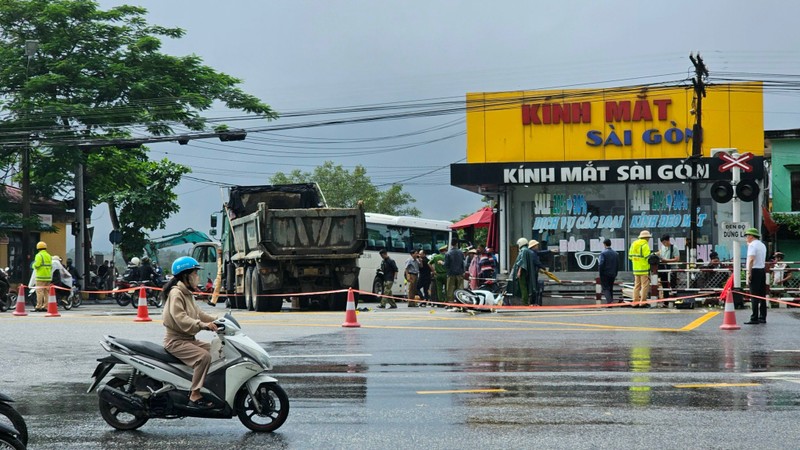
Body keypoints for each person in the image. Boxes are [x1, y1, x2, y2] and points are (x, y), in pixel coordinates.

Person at [162, 256, 219, 408]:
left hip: (188, 339)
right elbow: (180, 318)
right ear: (185, 275)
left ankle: (207, 386)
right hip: (176, 341)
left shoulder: (187, 293)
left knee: (218, 351)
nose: (197, 276)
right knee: (203, 357)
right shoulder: (176, 293)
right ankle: (194, 394)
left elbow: (199, 313)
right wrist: (204, 325)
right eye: (195, 273)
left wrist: (218, 320)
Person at [744, 228, 767, 325]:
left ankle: (754, 318)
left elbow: (751, 260)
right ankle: (762, 317)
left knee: (754, 295)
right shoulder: (762, 245)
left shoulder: (752, 245)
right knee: (762, 295)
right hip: (762, 270)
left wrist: (749, 273)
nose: (746, 238)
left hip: (754, 270)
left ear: (751, 236)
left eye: (747, 236)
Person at [628, 230, 652, 308]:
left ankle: (635, 302)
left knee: (636, 286)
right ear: (646, 238)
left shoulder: (634, 244)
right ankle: (643, 302)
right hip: (644, 268)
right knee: (645, 286)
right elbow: (648, 257)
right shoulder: (645, 245)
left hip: (635, 269)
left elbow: (630, 257)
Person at [657, 234, 679, 301]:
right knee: (664, 285)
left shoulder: (674, 247)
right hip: (664, 269)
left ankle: (675, 300)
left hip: (672, 269)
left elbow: (677, 259)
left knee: (673, 286)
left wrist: (666, 260)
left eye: (664, 242)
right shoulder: (662, 247)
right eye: (662, 243)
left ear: (668, 240)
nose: (664, 244)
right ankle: (665, 301)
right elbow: (660, 253)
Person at [32, 241, 52, 312]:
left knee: (39, 291)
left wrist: (33, 265)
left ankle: (38, 306)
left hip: (40, 276)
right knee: (46, 292)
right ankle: (46, 306)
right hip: (48, 276)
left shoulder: (38, 255)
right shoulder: (49, 255)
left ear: (38, 248)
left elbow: (37, 265)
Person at [443, 238, 465, 305]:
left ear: (451, 244)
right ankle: (460, 302)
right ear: (457, 244)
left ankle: (451, 303)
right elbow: (463, 263)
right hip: (460, 273)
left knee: (450, 289)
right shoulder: (461, 252)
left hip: (451, 274)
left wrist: (442, 263)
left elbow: (446, 265)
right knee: (460, 289)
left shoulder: (448, 253)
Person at [598, 238, 618, 305]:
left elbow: (601, 264)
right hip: (613, 273)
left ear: (604, 244)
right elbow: (618, 264)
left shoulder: (603, 253)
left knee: (605, 288)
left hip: (605, 274)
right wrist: (615, 273)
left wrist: (600, 273)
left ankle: (609, 302)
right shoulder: (615, 253)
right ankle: (611, 301)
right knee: (610, 287)